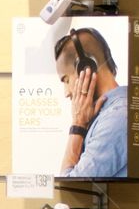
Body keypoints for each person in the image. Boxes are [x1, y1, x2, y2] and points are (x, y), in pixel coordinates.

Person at [53, 28, 127, 178]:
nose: (66, 92)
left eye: (66, 80)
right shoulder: (114, 112)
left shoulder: (117, 119)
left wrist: (78, 126)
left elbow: (68, 180)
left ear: (86, 68)